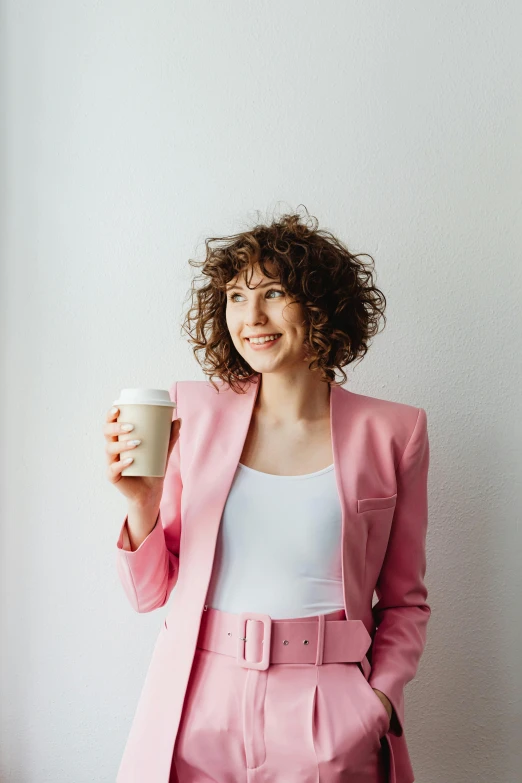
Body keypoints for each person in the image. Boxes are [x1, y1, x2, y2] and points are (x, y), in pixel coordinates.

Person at [104, 207, 431, 783]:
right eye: (234, 296)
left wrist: (377, 700)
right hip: (197, 699)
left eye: (273, 292)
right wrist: (141, 505)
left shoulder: (394, 434)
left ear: (322, 304)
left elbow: (405, 601)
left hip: (327, 710)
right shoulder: (192, 414)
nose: (250, 317)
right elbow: (149, 594)